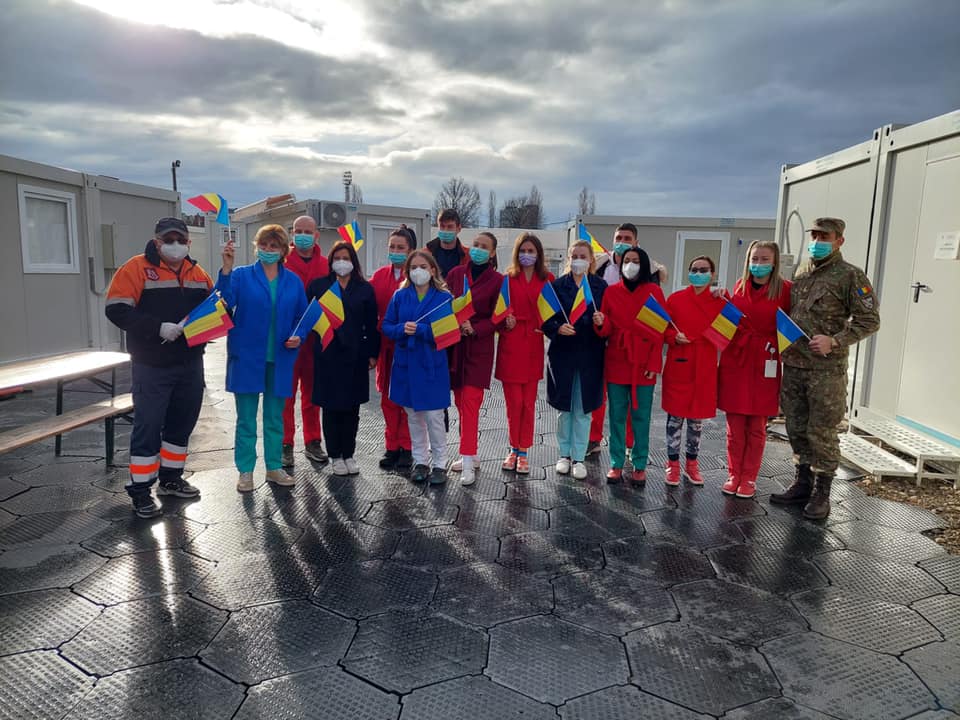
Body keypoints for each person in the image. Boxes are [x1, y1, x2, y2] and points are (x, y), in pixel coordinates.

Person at [771, 218, 880, 519]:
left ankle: (822, 493)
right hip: (795, 364)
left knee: (822, 430)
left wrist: (835, 340)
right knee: (796, 426)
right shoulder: (802, 271)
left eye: (824, 237)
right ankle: (802, 482)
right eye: (815, 236)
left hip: (826, 370)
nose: (817, 241)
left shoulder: (850, 276)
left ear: (839, 240)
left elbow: (870, 320)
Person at [105, 217, 213, 518]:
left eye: (180, 240)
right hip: (152, 365)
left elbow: (212, 307)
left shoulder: (198, 273)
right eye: (169, 239)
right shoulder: (135, 268)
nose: (175, 245)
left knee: (181, 424)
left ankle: (171, 479)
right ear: (157, 242)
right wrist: (157, 328)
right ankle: (141, 491)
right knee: (148, 426)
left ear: (188, 243)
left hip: (190, 363)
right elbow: (116, 309)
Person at [217, 225, 306, 492]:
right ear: (257, 247)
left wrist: (299, 335)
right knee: (246, 418)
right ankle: (245, 471)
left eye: (274, 246)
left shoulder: (293, 281)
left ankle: (274, 467)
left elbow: (302, 317)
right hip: (246, 356)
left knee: (275, 418)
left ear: (283, 250)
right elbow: (223, 302)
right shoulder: (241, 275)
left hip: (280, 358)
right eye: (264, 245)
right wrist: (226, 270)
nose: (268, 250)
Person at [717, 240, 792, 499]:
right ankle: (734, 474)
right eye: (755, 259)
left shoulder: (785, 290)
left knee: (757, 427)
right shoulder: (739, 288)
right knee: (735, 425)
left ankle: (749, 477)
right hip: (737, 361)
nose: (758, 264)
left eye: (764, 259)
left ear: (775, 262)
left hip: (765, 361)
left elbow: (793, 326)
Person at [590, 222, 668, 456]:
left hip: (636, 349)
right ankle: (594, 438)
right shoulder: (599, 267)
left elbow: (657, 324)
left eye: (627, 238)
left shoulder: (650, 274)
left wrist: (653, 361)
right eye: (619, 238)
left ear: (636, 243)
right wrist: (600, 323)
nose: (622, 242)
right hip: (602, 340)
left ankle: (630, 444)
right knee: (601, 396)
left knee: (636, 404)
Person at [306, 241, 380, 476]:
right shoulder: (319, 286)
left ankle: (349, 454)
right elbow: (308, 318)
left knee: (351, 408)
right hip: (327, 354)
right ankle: (335, 455)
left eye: (346, 258)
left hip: (356, 355)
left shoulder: (365, 289)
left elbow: (372, 323)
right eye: (337, 258)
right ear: (330, 262)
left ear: (353, 262)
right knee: (331, 408)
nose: (341, 262)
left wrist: (372, 353)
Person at [381, 250, 453, 485]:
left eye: (423, 266)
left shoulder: (443, 298)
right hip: (406, 365)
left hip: (431, 365)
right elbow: (387, 326)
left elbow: (448, 332)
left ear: (432, 270)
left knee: (434, 417)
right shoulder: (400, 296)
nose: (418, 271)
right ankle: (420, 461)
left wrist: (422, 330)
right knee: (413, 416)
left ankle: (440, 463)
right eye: (413, 267)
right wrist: (401, 329)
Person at [542, 240, 607, 480]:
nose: (579, 260)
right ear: (569, 258)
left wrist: (601, 322)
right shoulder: (557, 286)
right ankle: (564, 454)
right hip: (563, 355)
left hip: (590, 355)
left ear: (591, 259)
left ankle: (579, 457)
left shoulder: (600, 286)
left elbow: (609, 322)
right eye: (575, 256)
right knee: (565, 409)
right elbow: (545, 318)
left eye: (583, 256)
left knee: (583, 409)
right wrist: (558, 328)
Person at [662, 255, 728, 486]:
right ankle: (672, 464)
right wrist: (674, 337)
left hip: (705, 365)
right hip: (680, 363)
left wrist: (726, 296)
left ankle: (692, 464)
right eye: (694, 269)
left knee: (696, 421)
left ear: (712, 274)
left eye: (703, 270)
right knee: (674, 419)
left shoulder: (719, 301)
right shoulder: (676, 299)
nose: (698, 273)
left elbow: (734, 320)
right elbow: (663, 329)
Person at [494, 233, 554, 475]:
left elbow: (554, 311)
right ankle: (513, 448)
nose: (526, 255)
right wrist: (504, 322)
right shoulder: (507, 279)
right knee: (513, 403)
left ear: (538, 254)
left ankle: (524, 451)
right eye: (523, 250)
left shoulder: (547, 279)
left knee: (528, 404)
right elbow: (496, 312)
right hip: (511, 344)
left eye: (531, 251)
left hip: (533, 345)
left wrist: (546, 325)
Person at [446, 232, 503, 485]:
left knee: (470, 403)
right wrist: (453, 322)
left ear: (492, 253)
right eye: (476, 245)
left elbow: (499, 316)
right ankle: (472, 452)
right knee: (460, 402)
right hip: (455, 347)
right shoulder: (456, 274)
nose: (478, 249)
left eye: (484, 246)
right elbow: (444, 303)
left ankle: (467, 459)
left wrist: (476, 328)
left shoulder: (498, 281)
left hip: (479, 348)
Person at [281, 215, 330, 468]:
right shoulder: (281, 262)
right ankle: (285, 444)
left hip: (315, 340)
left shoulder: (326, 264)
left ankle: (313, 441)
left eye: (307, 231)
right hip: (286, 340)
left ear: (316, 235)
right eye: (297, 230)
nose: (302, 235)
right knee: (285, 395)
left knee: (313, 394)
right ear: (291, 233)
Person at [370, 225, 417, 472]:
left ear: (411, 250)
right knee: (388, 401)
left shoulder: (418, 278)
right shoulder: (379, 276)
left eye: (401, 247)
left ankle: (408, 447)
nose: (396, 251)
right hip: (386, 349)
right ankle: (392, 446)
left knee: (406, 401)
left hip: (410, 349)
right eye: (392, 247)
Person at [425, 208, 469, 279]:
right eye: (442, 226)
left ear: (459, 228)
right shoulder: (425, 254)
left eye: (450, 227)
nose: (445, 230)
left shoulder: (468, 256)